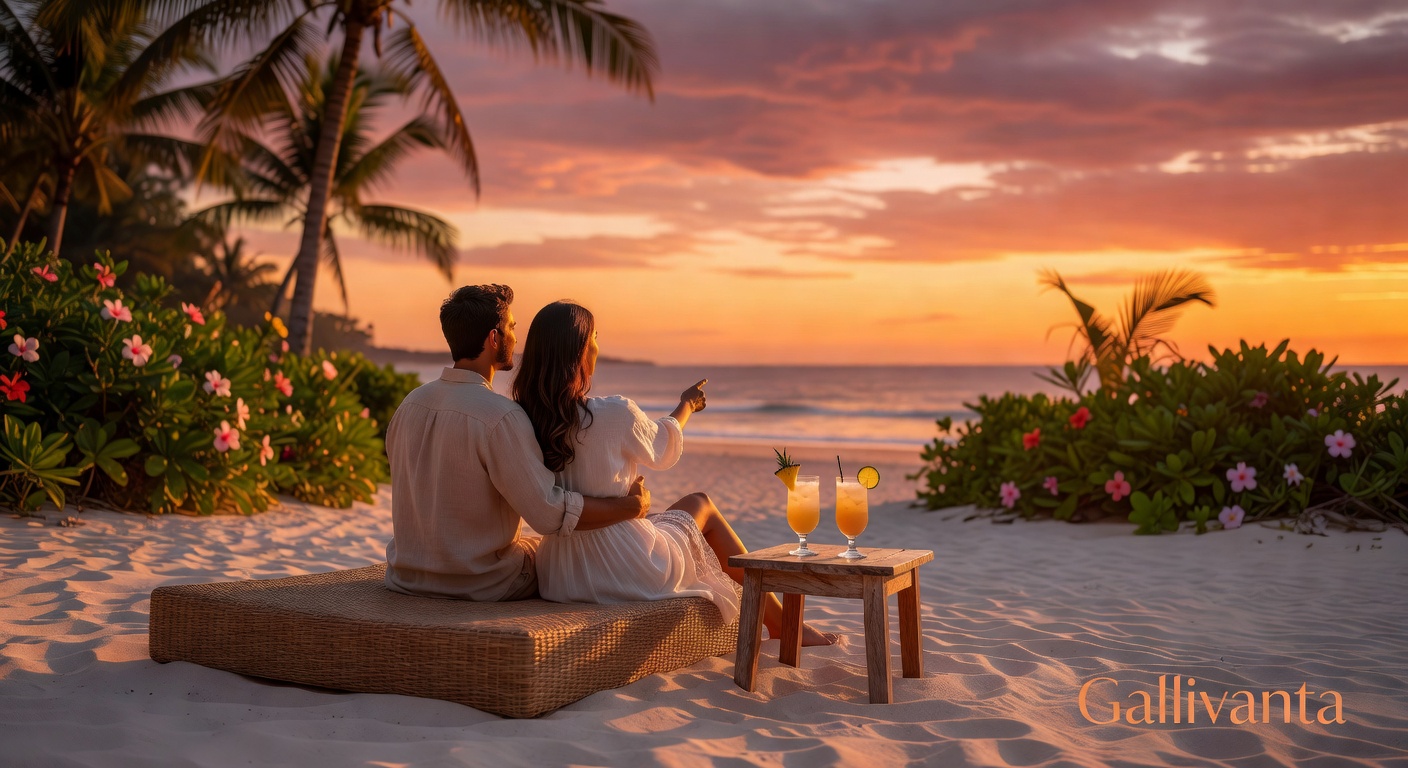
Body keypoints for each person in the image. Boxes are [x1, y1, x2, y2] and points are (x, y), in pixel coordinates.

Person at [513, 300, 834, 645]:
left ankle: (782, 622)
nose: (597, 347)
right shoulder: (613, 414)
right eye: (595, 338)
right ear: (579, 351)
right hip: (623, 569)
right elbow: (663, 445)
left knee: (664, 519)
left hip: (559, 575)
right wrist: (687, 405)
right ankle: (784, 625)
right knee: (701, 503)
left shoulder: (520, 419)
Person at [383, 285, 651, 602]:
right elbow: (548, 515)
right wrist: (630, 507)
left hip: (406, 576)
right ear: (494, 338)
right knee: (560, 555)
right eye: (511, 327)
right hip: (482, 582)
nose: (515, 337)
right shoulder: (501, 416)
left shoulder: (411, 404)